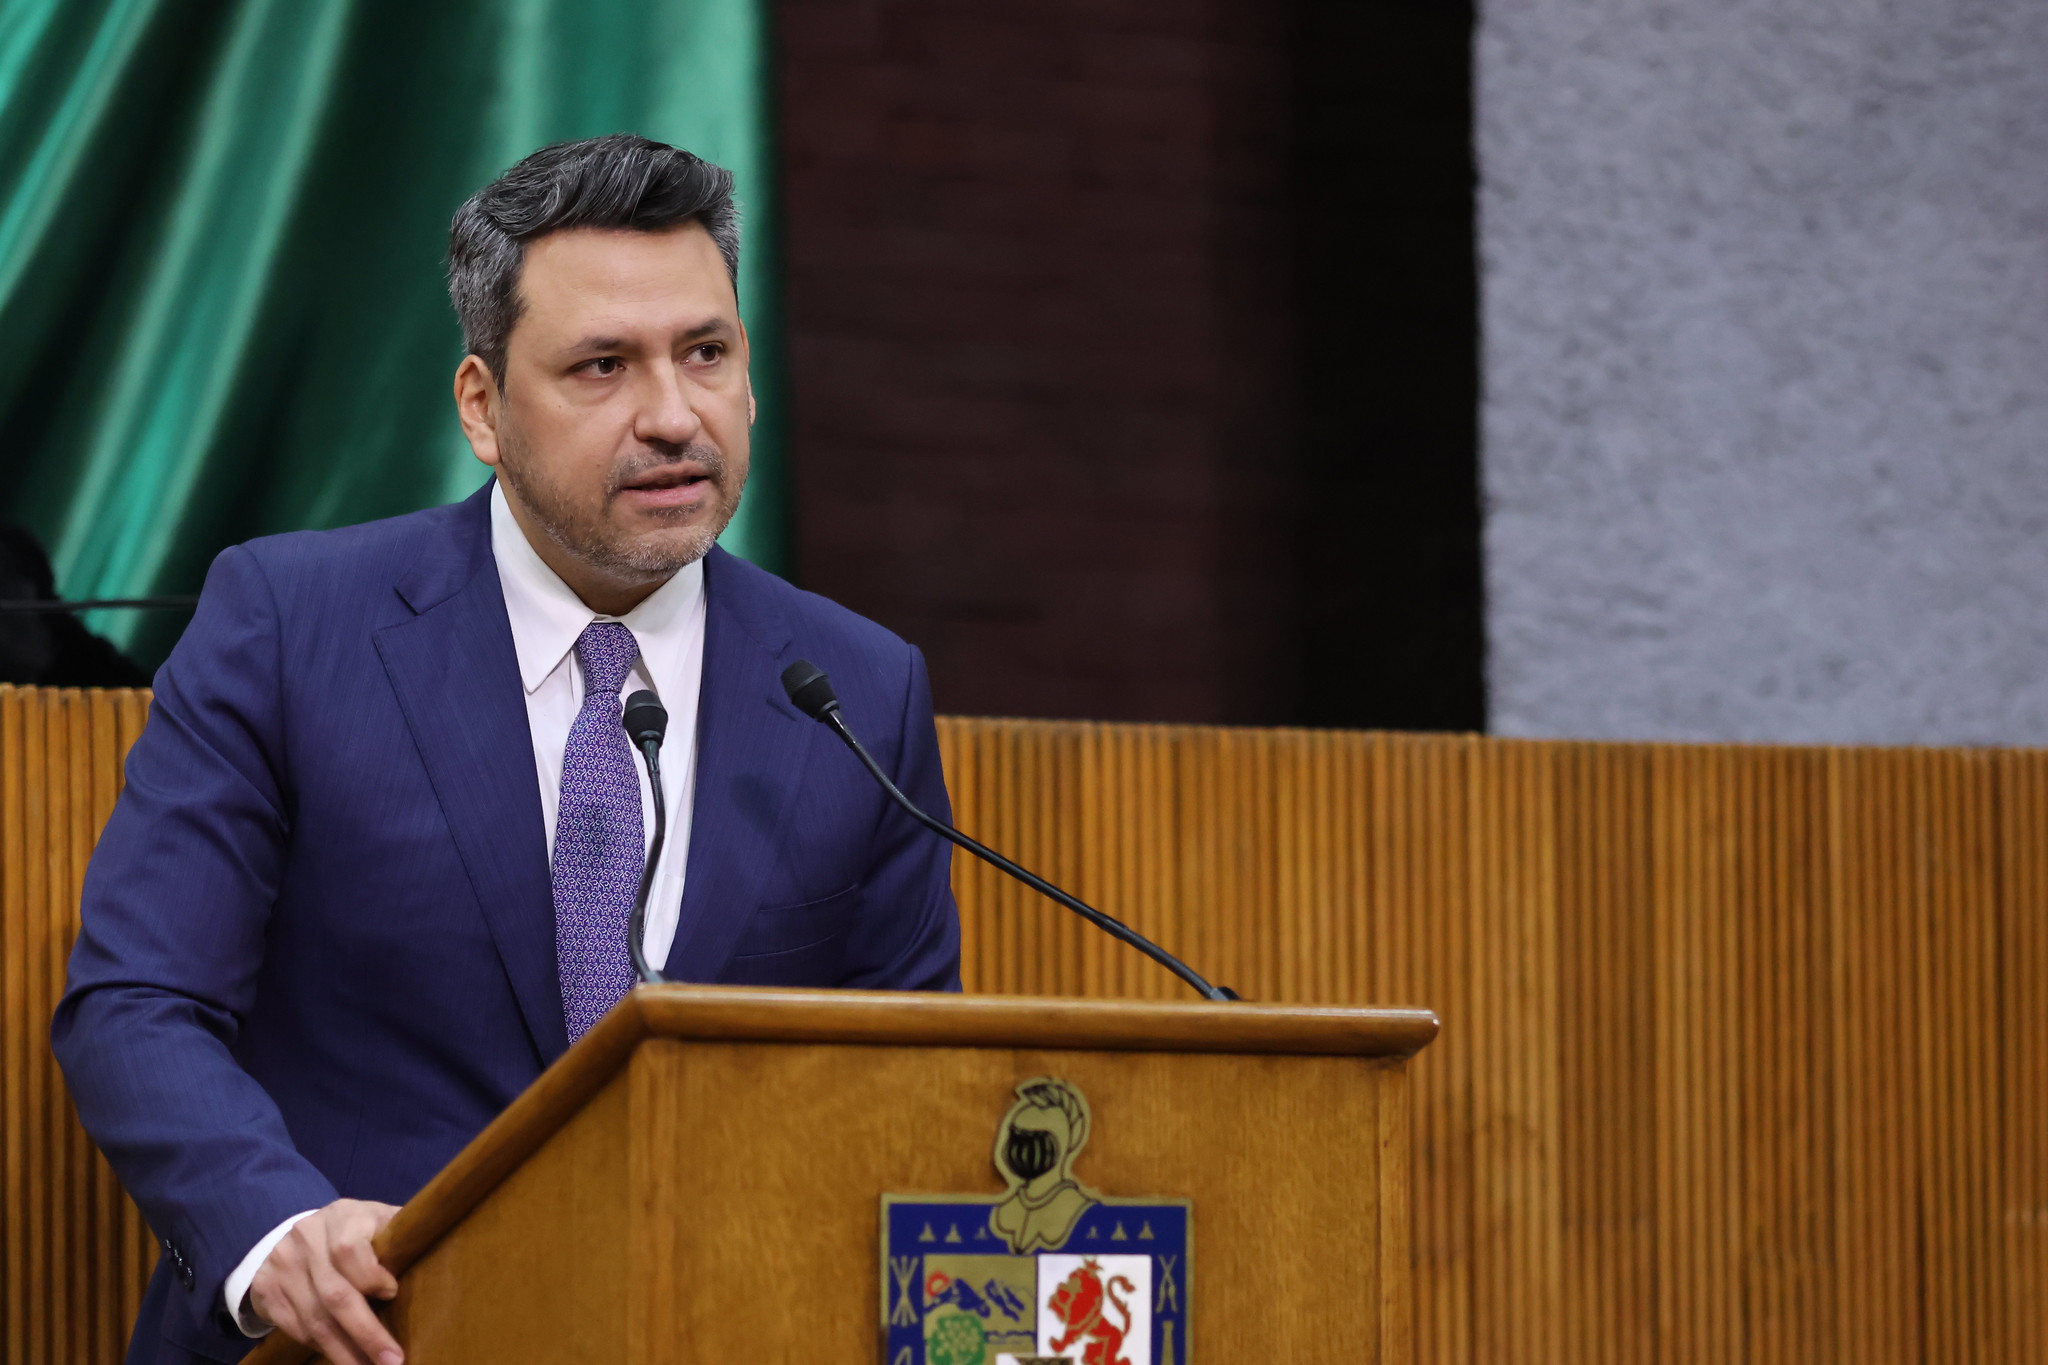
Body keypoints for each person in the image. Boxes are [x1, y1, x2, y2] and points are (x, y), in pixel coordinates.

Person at [52, 134, 961, 1365]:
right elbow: (137, 1004)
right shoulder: (291, 625)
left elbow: (902, 1086)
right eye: (601, 366)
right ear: (481, 407)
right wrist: (278, 1234)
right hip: (360, 1341)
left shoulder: (855, 687)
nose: (672, 415)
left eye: (706, 353)